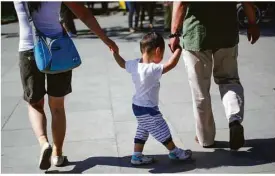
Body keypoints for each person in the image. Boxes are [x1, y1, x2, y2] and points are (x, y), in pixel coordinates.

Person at [13, 1, 118, 170]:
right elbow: (84, 14)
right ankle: (57, 154)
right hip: (58, 49)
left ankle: (43, 142)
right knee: (57, 106)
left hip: (29, 51)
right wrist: (106, 40)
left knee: (35, 104)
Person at [169, 2, 260, 150]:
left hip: (196, 34)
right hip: (226, 33)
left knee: (200, 90)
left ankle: (206, 138)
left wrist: (174, 33)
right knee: (229, 80)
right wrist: (252, 23)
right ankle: (234, 120)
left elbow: (180, 2)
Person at [111, 32, 192, 165]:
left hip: (137, 106)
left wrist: (115, 53)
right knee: (162, 128)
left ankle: (136, 156)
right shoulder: (152, 69)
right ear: (158, 50)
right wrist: (178, 49)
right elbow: (171, 64)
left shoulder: (134, 64)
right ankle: (175, 152)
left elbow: (122, 63)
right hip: (148, 109)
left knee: (143, 129)